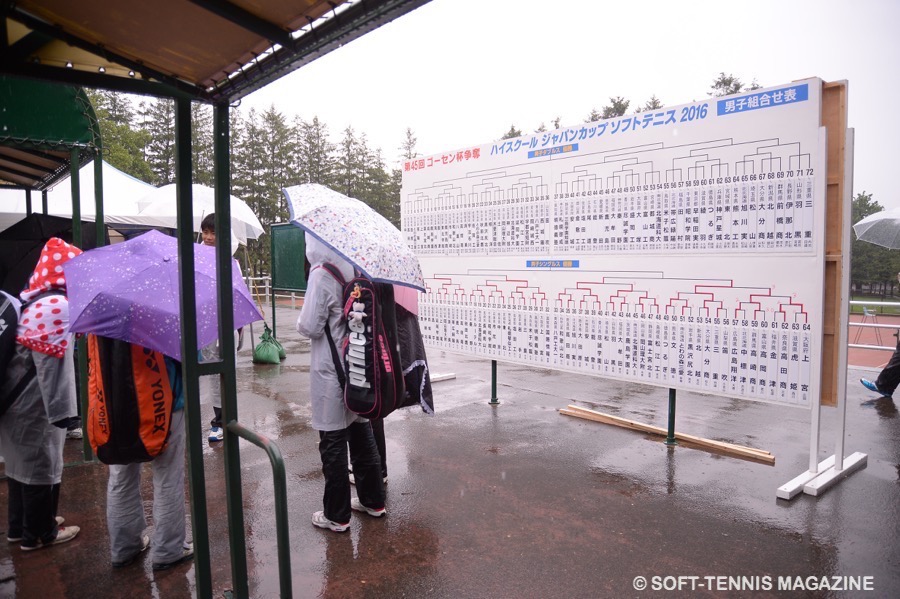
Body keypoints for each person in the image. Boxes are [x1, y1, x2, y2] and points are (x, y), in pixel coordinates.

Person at [297, 234, 386, 532]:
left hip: (329, 370)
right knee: (361, 430)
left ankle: (336, 515)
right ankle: (373, 500)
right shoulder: (354, 268)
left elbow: (309, 326)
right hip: (357, 364)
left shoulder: (322, 272)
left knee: (333, 438)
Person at [0, 238, 81, 550]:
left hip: (13, 399)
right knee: (40, 466)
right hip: (34, 405)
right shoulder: (56, 306)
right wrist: (65, 415)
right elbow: (53, 371)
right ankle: (39, 533)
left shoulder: (35, 299)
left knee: (20, 466)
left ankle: (20, 526)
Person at [106, 353, 193, 570]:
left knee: (120, 476)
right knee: (168, 476)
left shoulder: (102, 319)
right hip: (164, 401)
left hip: (115, 401)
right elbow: (191, 354)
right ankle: (168, 551)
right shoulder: (167, 317)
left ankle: (124, 548)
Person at [198, 213, 244, 442]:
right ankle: (218, 420)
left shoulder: (230, 262)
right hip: (203, 325)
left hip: (225, 326)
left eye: (213, 232)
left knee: (224, 375)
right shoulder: (194, 259)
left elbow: (237, 295)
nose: (208, 237)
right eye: (205, 232)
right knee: (208, 375)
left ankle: (223, 420)